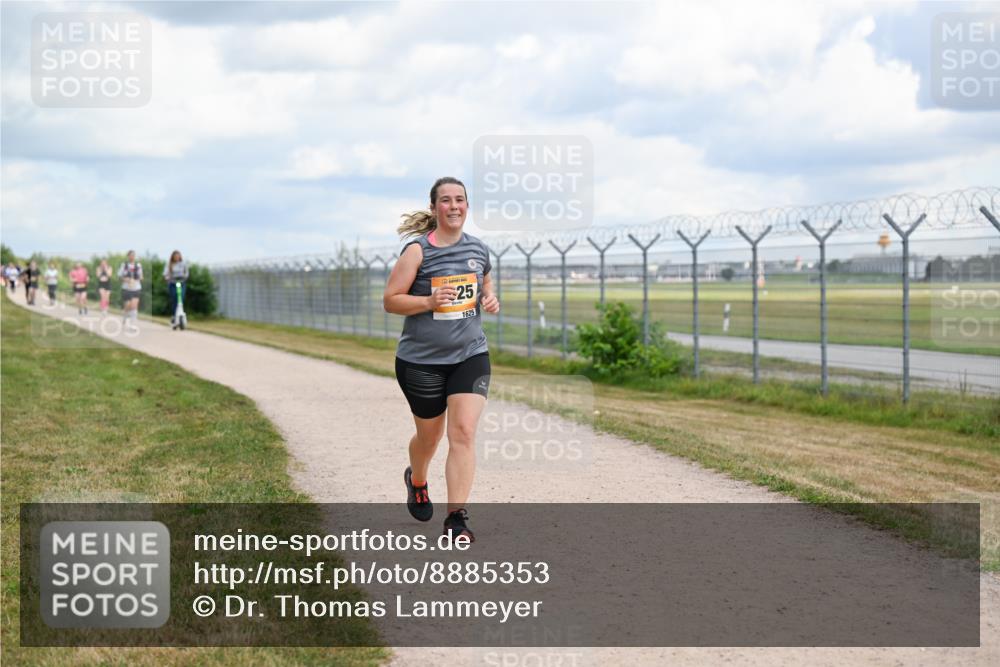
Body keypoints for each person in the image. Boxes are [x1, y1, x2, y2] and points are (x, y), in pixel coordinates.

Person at [383, 177, 500, 543]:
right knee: (429, 439)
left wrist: (490, 300)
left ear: (467, 206)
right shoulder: (418, 252)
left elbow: (486, 286)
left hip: (470, 355)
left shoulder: (479, 249)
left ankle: (456, 518)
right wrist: (429, 303)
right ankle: (416, 479)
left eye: (460, 200)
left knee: (463, 431)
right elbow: (391, 300)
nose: (454, 206)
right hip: (422, 361)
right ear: (434, 208)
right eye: (446, 200)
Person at [163, 250, 190, 327]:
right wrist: (167, 277)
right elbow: (165, 274)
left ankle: (180, 313)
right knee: (174, 298)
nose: (177, 257)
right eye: (175, 256)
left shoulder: (183, 264)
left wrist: (185, 276)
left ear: (180, 256)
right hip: (172, 283)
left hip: (181, 283)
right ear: (173, 257)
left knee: (181, 298)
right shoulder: (169, 264)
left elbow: (187, 273)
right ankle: (174, 316)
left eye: (178, 256)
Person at [118, 250, 143, 332]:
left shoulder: (138, 265)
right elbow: (119, 276)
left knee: (134, 306)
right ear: (128, 256)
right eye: (130, 255)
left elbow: (141, 277)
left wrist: (136, 279)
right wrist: (126, 279)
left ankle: (133, 324)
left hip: (136, 288)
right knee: (128, 305)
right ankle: (125, 315)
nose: (132, 257)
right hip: (126, 288)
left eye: (133, 255)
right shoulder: (124, 265)